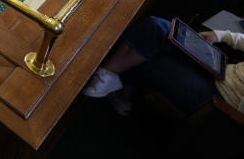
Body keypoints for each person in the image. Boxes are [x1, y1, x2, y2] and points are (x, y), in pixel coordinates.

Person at [82, 15, 244, 117]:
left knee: (151, 57)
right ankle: (107, 73)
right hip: (223, 69)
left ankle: (123, 94)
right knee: (156, 26)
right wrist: (222, 35)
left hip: (219, 102)